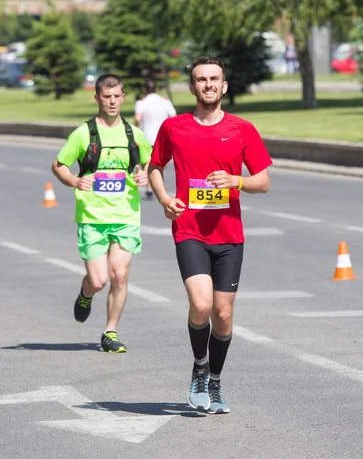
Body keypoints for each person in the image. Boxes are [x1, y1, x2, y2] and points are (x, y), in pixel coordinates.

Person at [148, 56, 272, 413]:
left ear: (224, 85)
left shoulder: (242, 129)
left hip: (230, 234)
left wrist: (237, 181)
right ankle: (199, 368)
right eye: (201, 80)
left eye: (214, 79)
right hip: (189, 230)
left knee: (223, 313)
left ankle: (214, 380)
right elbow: (155, 167)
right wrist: (164, 199)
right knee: (201, 304)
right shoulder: (174, 128)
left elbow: (263, 181)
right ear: (192, 87)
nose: (208, 85)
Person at [52, 74, 151, 353]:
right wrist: (74, 180)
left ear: (123, 97)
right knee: (99, 280)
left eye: (116, 96)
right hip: (92, 218)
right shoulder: (83, 133)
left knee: (119, 275)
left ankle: (110, 331)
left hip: (125, 216)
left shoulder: (134, 134)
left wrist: (144, 173)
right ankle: (86, 293)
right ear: (97, 98)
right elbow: (58, 165)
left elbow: (151, 163)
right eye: (106, 96)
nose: (111, 101)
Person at [134, 78, 176, 199]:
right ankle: (158, 187)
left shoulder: (142, 102)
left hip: (147, 137)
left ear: (144, 90)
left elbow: (137, 118)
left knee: (147, 163)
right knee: (160, 164)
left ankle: (149, 188)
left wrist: (138, 129)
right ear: (156, 89)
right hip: (162, 137)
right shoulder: (165, 101)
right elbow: (173, 117)